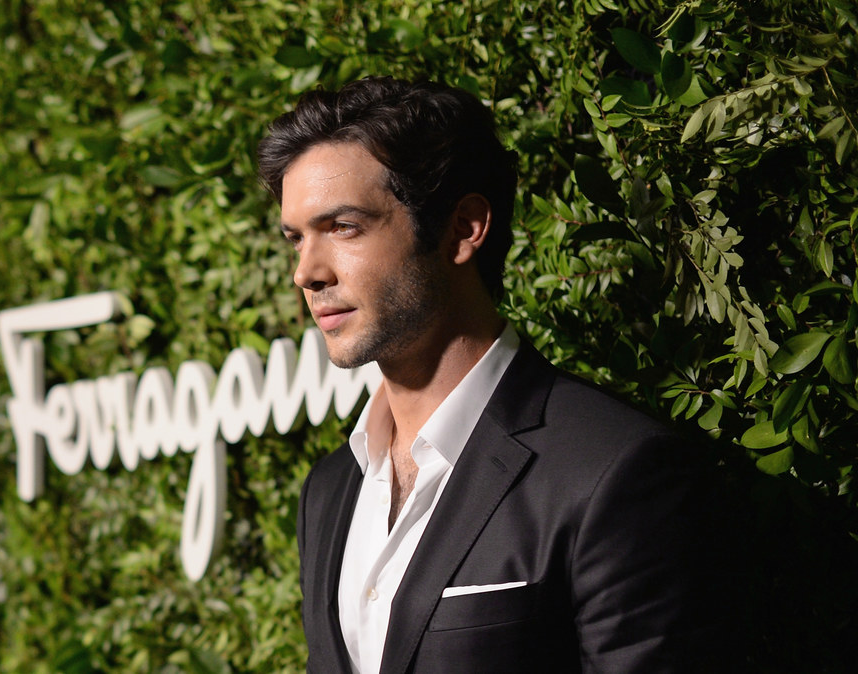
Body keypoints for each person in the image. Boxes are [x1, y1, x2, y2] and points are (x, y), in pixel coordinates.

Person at [257, 77, 720, 673]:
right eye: (296, 239)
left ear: (463, 227)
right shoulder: (329, 490)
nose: (307, 272)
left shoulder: (612, 470)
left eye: (344, 227)